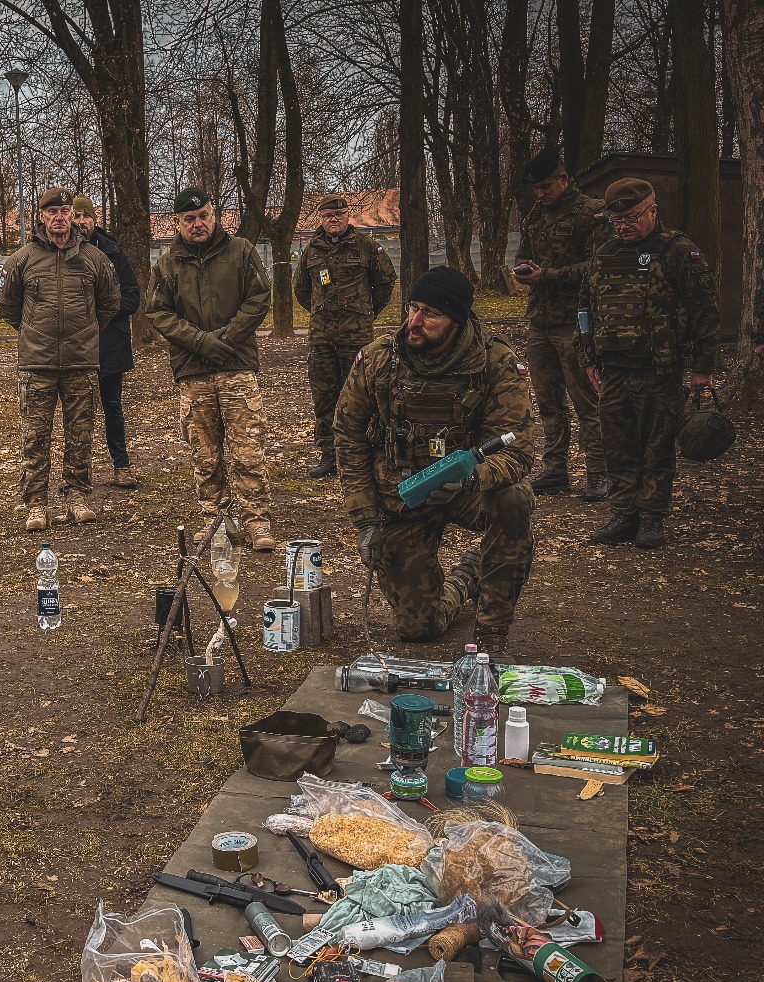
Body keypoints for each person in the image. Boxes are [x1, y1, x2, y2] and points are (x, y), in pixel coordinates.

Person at [334, 266, 536, 661]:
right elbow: (349, 440)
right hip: (404, 497)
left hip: (468, 491)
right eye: (412, 308)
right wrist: (366, 522)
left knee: (514, 501)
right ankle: (467, 577)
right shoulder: (378, 360)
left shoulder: (495, 363)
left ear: (456, 320)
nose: (415, 322)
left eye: (430, 313)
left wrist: (472, 477)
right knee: (418, 629)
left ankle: (492, 629)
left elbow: (518, 450)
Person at [577, 177, 720, 550]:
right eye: (617, 220)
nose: (623, 226)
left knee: (656, 447)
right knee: (618, 446)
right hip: (614, 372)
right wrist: (588, 356)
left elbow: (705, 311)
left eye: (631, 218)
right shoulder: (605, 253)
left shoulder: (678, 252)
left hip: (659, 369)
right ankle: (625, 513)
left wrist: (703, 368)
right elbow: (585, 308)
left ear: (653, 212)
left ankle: (653, 518)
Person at [145, 187, 278, 550]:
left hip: (237, 367)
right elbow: (158, 312)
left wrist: (226, 339)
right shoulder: (168, 263)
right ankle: (216, 521)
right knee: (205, 453)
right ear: (177, 223)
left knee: (248, 449)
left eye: (203, 215)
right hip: (193, 371)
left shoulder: (241, 252)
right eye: (190, 219)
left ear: (214, 215)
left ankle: (256, 523)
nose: (198, 224)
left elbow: (259, 297)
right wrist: (202, 342)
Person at [0, 186, 121, 531]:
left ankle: (76, 497)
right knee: (35, 437)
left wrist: (87, 330)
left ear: (72, 216)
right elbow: (8, 306)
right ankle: (36, 504)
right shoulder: (23, 259)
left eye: (65, 211)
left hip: (81, 363)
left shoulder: (94, 259)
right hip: (37, 363)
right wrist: (33, 330)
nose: (59, 218)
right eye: (52, 212)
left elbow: (109, 302)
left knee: (79, 435)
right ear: (42, 216)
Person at [512, 148, 608, 499]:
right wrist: (524, 268)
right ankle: (555, 470)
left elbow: (599, 266)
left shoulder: (591, 214)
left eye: (546, 186)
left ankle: (599, 472)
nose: (541, 193)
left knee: (586, 401)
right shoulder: (536, 214)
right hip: (540, 321)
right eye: (536, 188)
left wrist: (547, 275)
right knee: (548, 402)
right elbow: (525, 252)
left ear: (564, 179)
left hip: (576, 323)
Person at [293, 193, 397, 478]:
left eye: (338, 215)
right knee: (325, 398)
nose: (333, 220)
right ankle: (329, 455)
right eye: (328, 216)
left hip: (357, 338)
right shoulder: (312, 250)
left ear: (347, 216)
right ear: (321, 219)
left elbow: (385, 280)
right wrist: (320, 311)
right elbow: (301, 288)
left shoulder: (365, 246)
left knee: (361, 397)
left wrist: (366, 312)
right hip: (322, 339)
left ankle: (361, 454)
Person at [70, 194, 142, 488]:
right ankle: (78, 473)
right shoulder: (58, 253)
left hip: (109, 345)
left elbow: (133, 297)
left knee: (112, 407)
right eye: (75, 216)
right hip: (74, 349)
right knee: (76, 413)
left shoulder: (113, 251)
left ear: (94, 219)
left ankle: (121, 466)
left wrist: (103, 311)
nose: (80, 222)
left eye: (85, 216)